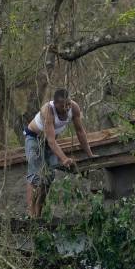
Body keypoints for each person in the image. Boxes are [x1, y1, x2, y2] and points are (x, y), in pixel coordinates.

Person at [23, 88, 94, 218]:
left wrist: (90, 155)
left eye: (68, 104)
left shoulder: (74, 108)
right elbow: (51, 141)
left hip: (50, 140)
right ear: (55, 104)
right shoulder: (47, 110)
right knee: (35, 175)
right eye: (63, 106)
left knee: (48, 177)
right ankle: (30, 214)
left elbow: (80, 132)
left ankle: (38, 214)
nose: (67, 108)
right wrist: (64, 158)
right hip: (34, 138)